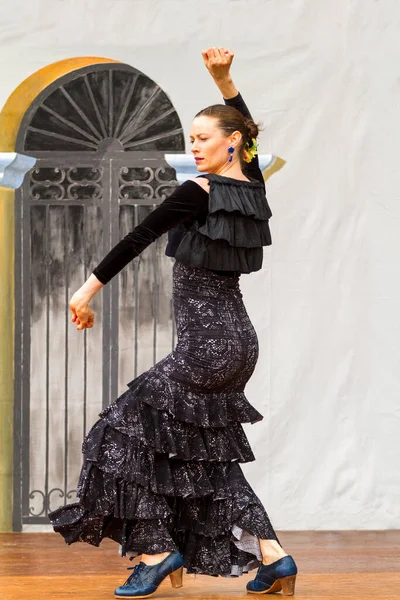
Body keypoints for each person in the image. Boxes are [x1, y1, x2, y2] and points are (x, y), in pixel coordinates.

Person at [48, 47, 298, 598]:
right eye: (191, 138)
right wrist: (227, 83)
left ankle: (159, 552)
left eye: (203, 137)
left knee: (119, 431)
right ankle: (274, 555)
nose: (194, 145)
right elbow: (248, 135)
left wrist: (84, 292)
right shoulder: (252, 189)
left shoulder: (198, 192)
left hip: (208, 347)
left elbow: (136, 240)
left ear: (231, 142)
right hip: (239, 345)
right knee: (200, 454)